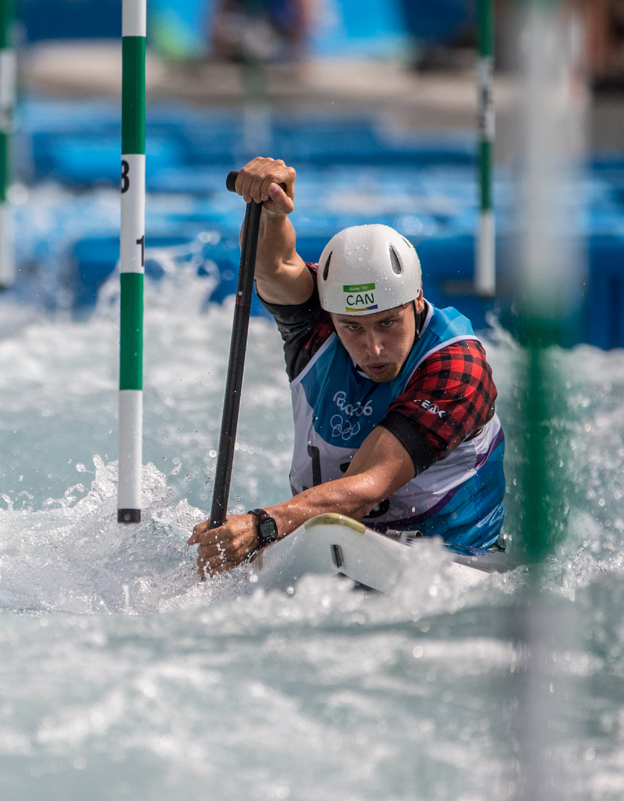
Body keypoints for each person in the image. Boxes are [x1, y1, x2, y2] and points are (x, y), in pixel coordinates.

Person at [189, 157, 505, 576]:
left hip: (454, 564)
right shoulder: (317, 325)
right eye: (352, 327)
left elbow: (369, 486)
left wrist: (262, 526)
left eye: (387, 323)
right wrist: (270, 211)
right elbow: (273, 267)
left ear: (417, 299)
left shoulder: (457, 366)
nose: (373, 347)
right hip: (326, 543)